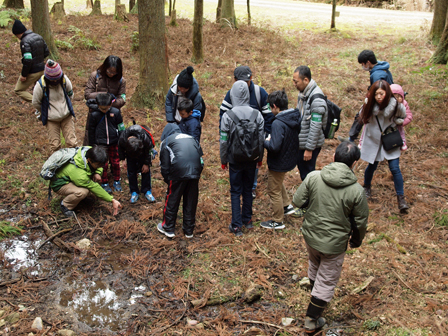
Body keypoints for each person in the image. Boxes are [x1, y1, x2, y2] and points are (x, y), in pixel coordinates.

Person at [292, 141, 369, 334]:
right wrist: (356, 240)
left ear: (334, 157)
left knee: (315, 263)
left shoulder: (313, 177)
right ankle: (312, 319)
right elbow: (360, 222)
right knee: (327, 279)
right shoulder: (357, 191)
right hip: (334, 244)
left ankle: (314, 293)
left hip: (310, 235)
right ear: (354, 164)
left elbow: (297, 201)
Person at [219, 65, 274, 198]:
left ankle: (251, 188)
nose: (244, 84)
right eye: (240, 81)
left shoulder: (259, 93)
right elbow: (223, 116)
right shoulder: (231, 94)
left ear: (251, 79)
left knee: (253, 164)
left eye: (246, 81)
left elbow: (268, 116)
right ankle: (239, 188)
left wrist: (264, 137)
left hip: (254, 140)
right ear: (234, 80)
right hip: (236, 142)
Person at [220, 80, 264, 237]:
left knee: (235, 190)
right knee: (248, 189)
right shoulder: (257, 114)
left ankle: (236, 225)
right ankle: (247, 220)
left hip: (234, 160)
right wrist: (260, 158)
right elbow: (261, 139)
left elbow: (224, 140)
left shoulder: (227, 116)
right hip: (252, 159)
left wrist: (223, 159)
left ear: (233, 94)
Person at [358, 80, 409, 212]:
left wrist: (399, 122)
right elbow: (362, 118)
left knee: (395, 168)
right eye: (376, 94)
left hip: (389, 139)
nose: (379, 97)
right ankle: (367, 187)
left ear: (387, 93)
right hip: (374, 140)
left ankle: (401, 198)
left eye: (381, 93)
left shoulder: (396, 106)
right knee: (372, 166)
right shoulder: (369, 105)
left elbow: (404, 116)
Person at [260, 90, 301, 230]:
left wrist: (264, 141)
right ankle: (286, 205)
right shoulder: (293, 117)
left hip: (279, 161)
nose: (270, 110)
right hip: (289, 158)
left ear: (275, 106)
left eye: (270, 107)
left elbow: (274, 146)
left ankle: (277, 220)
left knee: (273, 190)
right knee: (278, 182)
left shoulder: (278, 123)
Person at [157, 124, 204, 239]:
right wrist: (196, 174)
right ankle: (189, 230)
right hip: (195, 171)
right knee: (191, 199)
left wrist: (169, 181)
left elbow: (165, 166)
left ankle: (168, 228)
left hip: (178, 170)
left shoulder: (166, 141)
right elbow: (201, 160)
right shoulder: (191, 138)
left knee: (172, 198)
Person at [50, 145, 122, 217]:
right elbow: (94, 187)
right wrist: (112, 200)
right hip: (60, 183)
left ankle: (79, 199)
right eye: (98, 165)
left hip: (73, 178)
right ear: (90, 160)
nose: (101, 166)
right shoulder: (79, 173)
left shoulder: (90, 151)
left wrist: (98, 173)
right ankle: (65, 205)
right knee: (82, 192)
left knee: (88, 183)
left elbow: (100, 165)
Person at [339, 50, 394, 143]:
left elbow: (378, 91)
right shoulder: (382, 67)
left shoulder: (377, 75)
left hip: (382, 100)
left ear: (368, 62)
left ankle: (352, 139)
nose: (362, 66)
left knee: (361, 115)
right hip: (387, 98)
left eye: (363, 64)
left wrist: (369, 103)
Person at [32, 60, 77, 152]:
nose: (56, 81)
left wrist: (65, 107)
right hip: (51, 120)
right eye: (53, 79)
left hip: (66, 117)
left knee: (72, 143)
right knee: (55, 145)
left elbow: (70, 94)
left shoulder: (64, 80)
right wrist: (46, 111)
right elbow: (35, 102)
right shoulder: (41, 85)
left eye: (57, 78)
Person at [293, 66, 327, 182]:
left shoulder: (316, 98)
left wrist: (309, 148)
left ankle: (311, 198)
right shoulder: (303, 93)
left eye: (296, 81)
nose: (294, 84)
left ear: (306, 80)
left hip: (309, 144)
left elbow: (316, 126)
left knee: (308, 175)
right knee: (303, 173)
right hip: (302, 141)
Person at [87, 93, 125, 193]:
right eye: (102, 108)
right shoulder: (95, 115)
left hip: (114, 141)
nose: (104, 110)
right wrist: (92, 145)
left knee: (116, 162)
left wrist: (121, 139)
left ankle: (117, 180)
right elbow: (91, 130)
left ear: (110, 105)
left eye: (106, 108)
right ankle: (104, 182)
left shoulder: (115, 112)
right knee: (103, 164)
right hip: (101, 143)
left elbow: (121, 127)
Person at [84, 55, 126, 145]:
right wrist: (103, 97)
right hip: (95, 112)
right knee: (92, 138)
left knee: (112, 141)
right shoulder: (95, 76)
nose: (111, 74)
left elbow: (122, 99)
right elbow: (88, 94)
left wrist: (109, 104)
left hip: (112, 115)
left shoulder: (121, 81)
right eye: (109, 71)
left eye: (114, 72)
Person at [12, 19, 49, 105]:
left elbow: (28, 60)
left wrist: (24, 75)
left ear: (17, 33)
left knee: (18, 90)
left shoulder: (24, 41)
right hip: (42, 69)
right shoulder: (38, 36)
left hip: (33, 71)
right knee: (39, 89)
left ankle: (40, 104)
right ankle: (44, 110)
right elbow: (46, 52)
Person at [118, 123, 157, 203]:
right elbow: (120, 149)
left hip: (142, 153)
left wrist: (146, 163)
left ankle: (147, 190)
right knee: (131, 171)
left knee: (145, 171)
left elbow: (148, 151)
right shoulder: (123, 139)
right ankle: (134, 191)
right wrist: (123, 160)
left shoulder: (145, 138)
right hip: (130, 154)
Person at [390, 84, 412, 151]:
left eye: (400, 96)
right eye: (395, 97)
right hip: (388, 126)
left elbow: (409, 116)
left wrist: (402, 122)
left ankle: (402, 142)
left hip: (398, 126)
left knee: (400, 132)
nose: (398, 99)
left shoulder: (404, 103)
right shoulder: (387, 105)